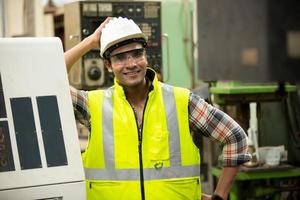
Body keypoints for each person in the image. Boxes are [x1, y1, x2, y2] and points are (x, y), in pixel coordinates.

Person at [64, 17, 251, 200]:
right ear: (108, 65)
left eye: (137, 54)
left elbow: (235, 137)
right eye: (120, 57)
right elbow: (48, 78)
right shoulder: (93, 104)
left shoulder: (181, 101)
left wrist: (220, 195)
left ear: (145, 56)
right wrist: (89, 42)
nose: (131, 64)